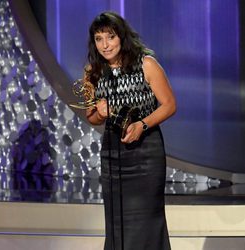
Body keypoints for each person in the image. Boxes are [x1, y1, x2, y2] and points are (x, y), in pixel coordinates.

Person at [84, 11, 176, 250]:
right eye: (99, 39)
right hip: (113, 153)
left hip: (146, 151)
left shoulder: (146, 63)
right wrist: (100, 114)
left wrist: (142, 125)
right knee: (117, 221)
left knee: (145, 221)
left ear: (121, 37)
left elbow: (169, 104)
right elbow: (91, 118)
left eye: (110, 37)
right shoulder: (92, 72)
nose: (105, 45)